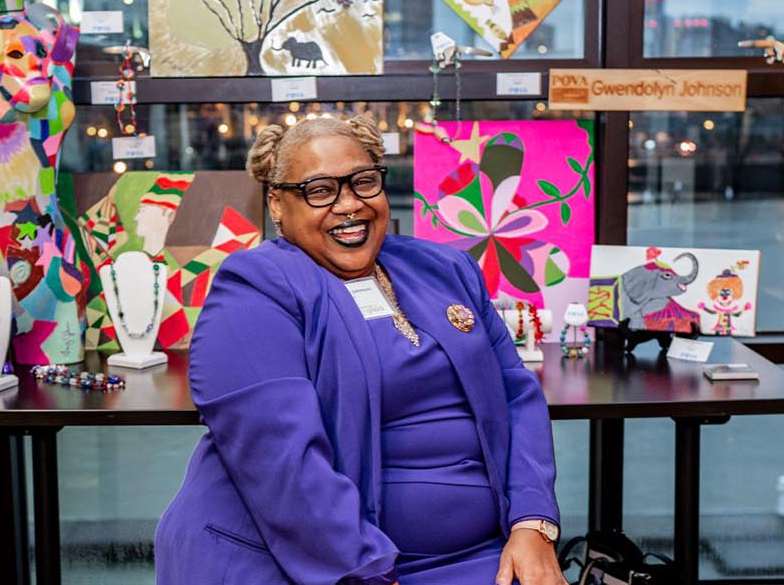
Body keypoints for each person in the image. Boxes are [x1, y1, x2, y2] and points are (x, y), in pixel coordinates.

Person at [155, 115, 562, 585]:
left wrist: (533, 524)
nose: (349, 204)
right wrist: (366, 572)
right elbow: (285, 467)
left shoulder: (446, 269)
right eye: (319, 190)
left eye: (364, 182)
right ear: (277, 205)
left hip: (484, 554)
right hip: (329, 564)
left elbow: (517, 398)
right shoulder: (256, 288)